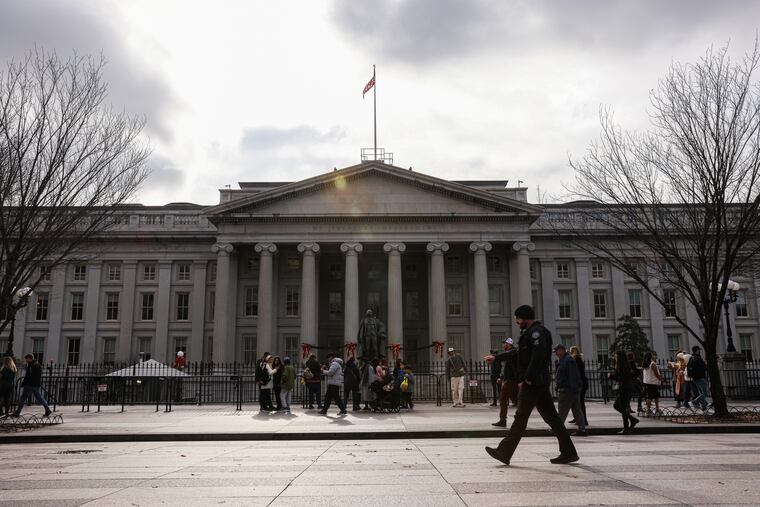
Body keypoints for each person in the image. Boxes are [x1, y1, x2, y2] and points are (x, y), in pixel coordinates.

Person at [485, 305, 578, 466]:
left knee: (521, 417)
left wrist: (528, 377)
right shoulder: (530, 333)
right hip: (537, 382)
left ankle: (504, 452)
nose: (516, 322)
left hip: (534, 382)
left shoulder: (537, 333)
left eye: (518, 318)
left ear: (525, 318)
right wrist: (496, 357)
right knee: (553, 419)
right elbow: (517, 353)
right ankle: (569, 452)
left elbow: (539, 355)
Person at [554, 344, 587, 436]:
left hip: (567, 390)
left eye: (556, 351)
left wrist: (573, 389)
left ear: (561, 350)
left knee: (562, 410)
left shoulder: (568, 360)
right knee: (576, 410)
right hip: (571, 389)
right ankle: (582, 429)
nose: (556, 354)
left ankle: (558, 429)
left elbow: (572, 376)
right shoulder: (566, 359)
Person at [486, 337, 519, 428]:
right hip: (511, 380)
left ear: (508, 344)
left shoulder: (513, 353)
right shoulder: (510, 354)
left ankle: (503, 420)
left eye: (504, 344)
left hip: (511, 380)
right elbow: (507, 368)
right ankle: (518, 419)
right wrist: (501, 377)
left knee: (503, 399)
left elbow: (511, 368)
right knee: (516, 401)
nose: (503, 345)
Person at [610, 350, 639, 434]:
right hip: (627, 388)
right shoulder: (626, 365)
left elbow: (622, 378)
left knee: (620, 407)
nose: (615, 358)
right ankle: (632, 420)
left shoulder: (622, 366)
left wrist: (611, 376)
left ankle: (626, 428)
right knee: (618, 406)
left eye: (616, 356)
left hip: (624, 388)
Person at [568, 346, 589, 426]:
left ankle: (583, 419)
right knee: (577, 402)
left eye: (570, 352)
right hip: (583, 382)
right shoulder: (579, 359)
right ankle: (578, 418)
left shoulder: (575, 360)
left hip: (580, 384)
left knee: (579, 402)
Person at [687, 345, 709, 410]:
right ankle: (694, 402)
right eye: (699, 350)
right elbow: (704, 367)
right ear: (697, 350)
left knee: (701, 392)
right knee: (704, 393)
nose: (700, 351)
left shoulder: (691, 358)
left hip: (695, 378)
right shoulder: (697, 358)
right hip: (700, 377)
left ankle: (704, 405)